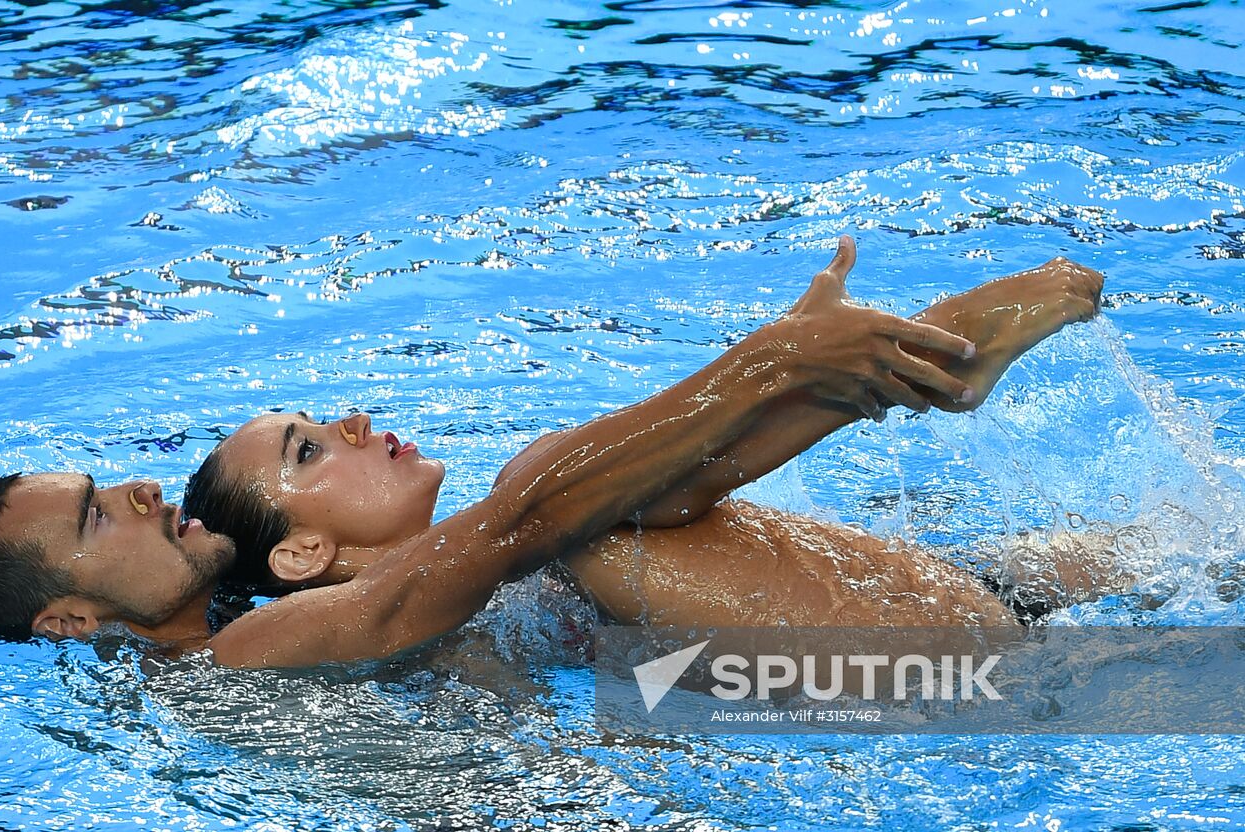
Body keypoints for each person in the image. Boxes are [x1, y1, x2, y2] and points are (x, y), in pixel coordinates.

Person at [0, 236, 991, 666]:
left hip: (665, 730)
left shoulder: (292, 615)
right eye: (94, 513)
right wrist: (762, 365)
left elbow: (604, 503)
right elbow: (526, 523)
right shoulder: (227, 669)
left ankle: (916, 386)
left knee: (584, 514)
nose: (138, 487)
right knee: (564, 508)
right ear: (66, 617)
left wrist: (825, 382)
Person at [184, 239, 1109, 635]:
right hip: (955, 666)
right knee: (565, 506)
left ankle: (897, 368)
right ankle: (903, 365)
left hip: (975, 584)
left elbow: (674, 483)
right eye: (307, 451)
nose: (349, 423)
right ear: (303, 554)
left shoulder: (504, 566)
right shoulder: (401, 631)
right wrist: (780, 365)